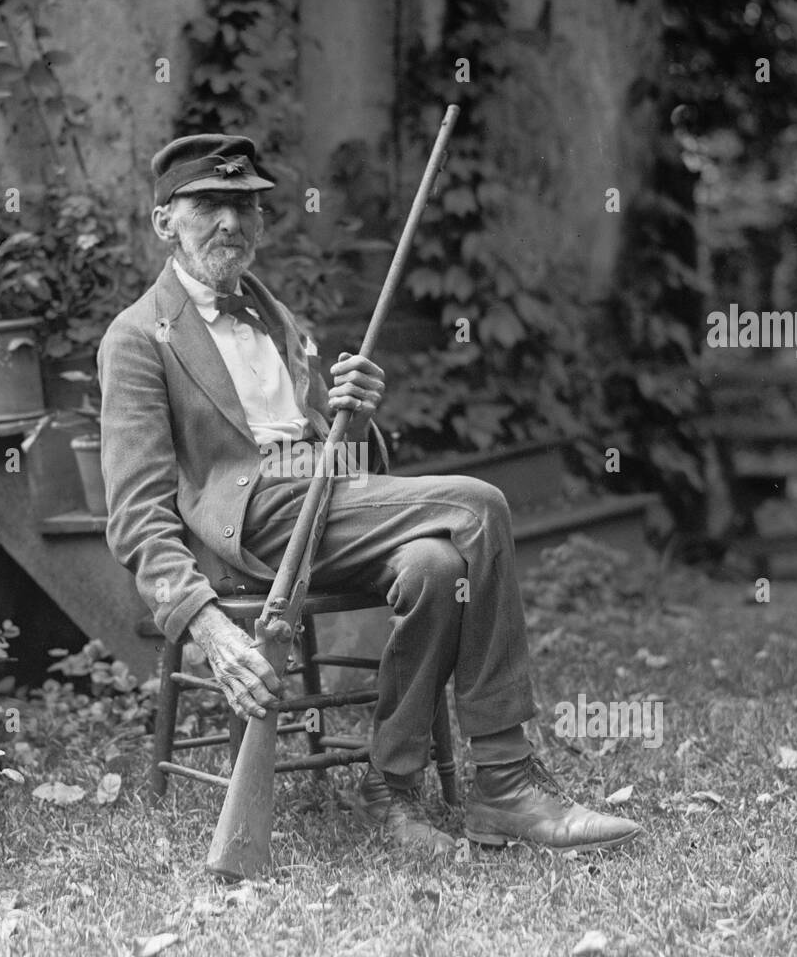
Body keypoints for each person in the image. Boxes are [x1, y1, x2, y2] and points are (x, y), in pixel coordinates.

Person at [98, 133, 640, 856]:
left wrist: (351, 410)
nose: (230, 222)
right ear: (165, 220)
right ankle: (507, 785)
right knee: (477, 504)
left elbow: (336, 452)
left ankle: (390, 791)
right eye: (208, 205)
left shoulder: (276, 318)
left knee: (435, 570)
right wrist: (207, 627)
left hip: (324, 508)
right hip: (254, 526)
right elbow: (134, 512)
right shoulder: (136, 338)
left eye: (245, 206)